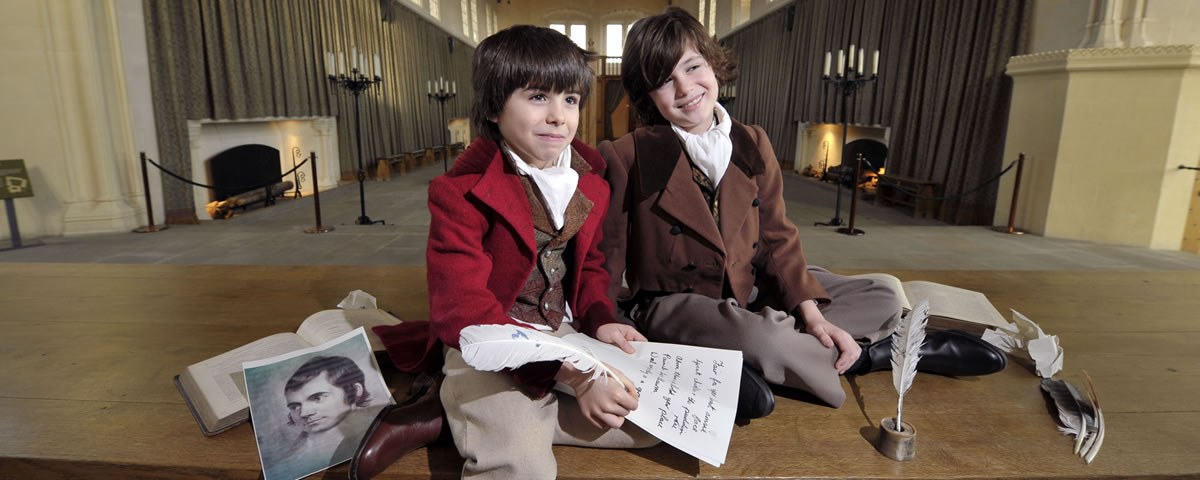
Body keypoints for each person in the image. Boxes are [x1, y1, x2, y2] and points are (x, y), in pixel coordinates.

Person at [598, 7, 1006, 412]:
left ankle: (771, 354)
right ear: (647, 94)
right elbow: (609, 254)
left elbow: (776, 236)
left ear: (714, 65)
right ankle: (873, 355)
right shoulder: (627, 154)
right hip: (677, 302)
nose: (685, 88)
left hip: (748, 285)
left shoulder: (753, 140)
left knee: (881, 293)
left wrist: (811, 316)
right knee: (767, 338)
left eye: (692, 67)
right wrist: (610, 320)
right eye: (665, 80)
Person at [351, 25, 658, 480]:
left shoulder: (588, 177)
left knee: (650, 419)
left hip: (563, 333)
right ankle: (480, 410)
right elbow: (464, 311)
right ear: (494, 107)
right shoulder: (459, 192)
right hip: (490, 341)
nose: (559, 116)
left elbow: (590, 264)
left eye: (570, 100)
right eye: (538, 97)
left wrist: (601, 318)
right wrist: (574, 376)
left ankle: (468, 418)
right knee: (522, 468)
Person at [264, 355, 378, 480]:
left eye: (317, 398)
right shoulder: (283, 466)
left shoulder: (378, 434)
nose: (304, 413)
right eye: (295, 406)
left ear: (355, 391)